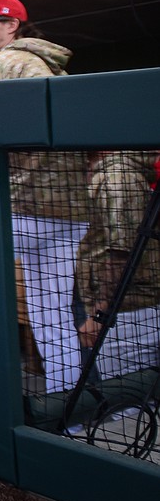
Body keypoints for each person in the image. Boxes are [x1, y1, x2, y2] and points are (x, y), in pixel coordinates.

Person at [0, 0, 90, 394]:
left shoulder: (0, 63)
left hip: (21, 209)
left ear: (12, 25)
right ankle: (71, 411)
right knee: (53, 315)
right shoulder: (53, 67)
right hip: (69, 210)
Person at [75, 151, 160, 381]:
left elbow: (122, 254)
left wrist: (101, 314)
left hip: (129, 311)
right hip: (131, 306)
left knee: (126, 404)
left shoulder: (118, 176)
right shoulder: (122, 172)